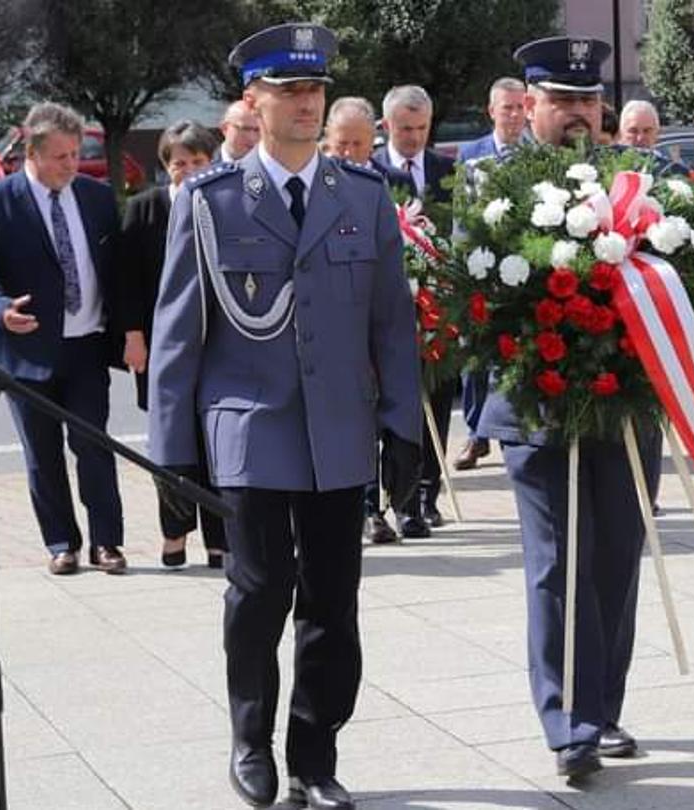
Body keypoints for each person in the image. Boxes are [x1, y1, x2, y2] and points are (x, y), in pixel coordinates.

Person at [148, 23, 418, 809]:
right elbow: (178, 334)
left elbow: (391, 325)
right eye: (290, 91)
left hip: (338, 432)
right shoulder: (210, 202)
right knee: (259, 593)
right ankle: (249, 737)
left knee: (333, 604)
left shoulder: (361, 197)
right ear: (253, 102)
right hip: (251, 431)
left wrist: (403, 428)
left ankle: (315, 755)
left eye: (316, 90)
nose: (307, 103)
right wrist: (174, 453)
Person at [475, 35, 678, 782]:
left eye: (588, 101)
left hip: (624, 405)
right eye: (561, 101)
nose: (577, 115)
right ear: (529, 105)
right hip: (537, 405)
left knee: (618, 557)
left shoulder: (641, 180)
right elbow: (479, 304)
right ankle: (569, 724)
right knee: (558, 561)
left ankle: (605, 707)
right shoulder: (490, 183)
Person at [0, 101, 131, 576]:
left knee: (94, 446)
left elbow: (116, 271)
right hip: (25, 349)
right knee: (42, 455)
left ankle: (107, 543)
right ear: (31, 153)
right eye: (61, 156)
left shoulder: (96, 199)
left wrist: (132, 332)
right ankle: (62, 542)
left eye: (76, 154)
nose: (72, 165)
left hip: (86, 346)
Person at [117, 120, 229, 570]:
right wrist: (133, 337)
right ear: (166, 166)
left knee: (216, 443)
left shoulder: (223, 205)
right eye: (178, 162)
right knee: (171, 444)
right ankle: (174, 533)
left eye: (197, 161)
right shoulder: (145, 208)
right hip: (160, 349)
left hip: (216, 347)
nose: (187, 170)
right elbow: (125, 279)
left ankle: (219, 538)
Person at [374, 84, 459, 537]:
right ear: (387, 125)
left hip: (439, 311)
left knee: (439, 402)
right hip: (390, 308)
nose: (414, 137)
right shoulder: (371, 171)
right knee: (392, 407)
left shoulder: (449, 170)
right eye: (405, 128)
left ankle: (428, 493)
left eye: (422, 128)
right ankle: (390, 497)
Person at [454, 77, 531, 472]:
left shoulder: (537, 154)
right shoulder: (471, 155)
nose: (516, 115)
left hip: (527, 271)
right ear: (492, 111)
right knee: (476, 357)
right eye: (508, 108)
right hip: (483, 272)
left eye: (521, 107)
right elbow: (461, 220)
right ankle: (475, 433)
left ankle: (513, 429)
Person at [218, 100, 261, 164]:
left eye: (257, 130)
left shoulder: (272, 167)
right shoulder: (203, 164)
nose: (252, 138)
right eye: (245, 129)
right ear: (225, 128)